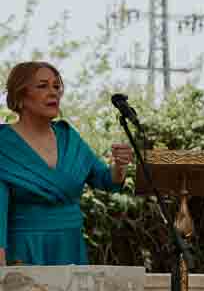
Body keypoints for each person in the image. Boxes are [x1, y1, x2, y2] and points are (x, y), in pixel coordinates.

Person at [0, 61, 132, 264]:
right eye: (42, 86)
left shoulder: (69, 137)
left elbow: (107, 180)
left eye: (56, 86)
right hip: (25, 251)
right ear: (20, 96)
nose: (53, 93)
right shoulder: (4, 144)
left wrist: (120, 165)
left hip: (71, 248)